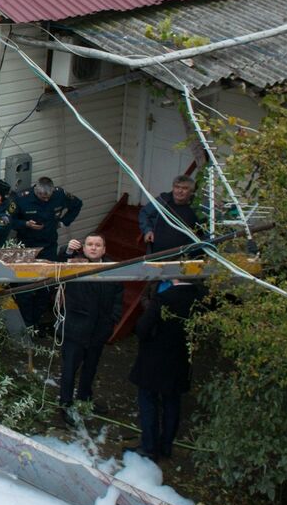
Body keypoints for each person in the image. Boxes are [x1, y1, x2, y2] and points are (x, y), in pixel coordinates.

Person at [130, 279, 201, 460]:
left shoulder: (165, 298)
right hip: (181, 359)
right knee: (172, 403)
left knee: (148, 400)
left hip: (155, 358)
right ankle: (166, 446)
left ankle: (149, 446)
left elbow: (143, 327)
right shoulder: (201, 298)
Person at [55, 233, 122, 413]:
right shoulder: (74, 264)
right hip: (75, 327)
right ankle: (65, 405)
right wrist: (68, 249)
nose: (93, 248)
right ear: (83, 249)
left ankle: (84, 399)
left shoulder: (113, 268)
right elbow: (59, 262)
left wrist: (113, 320)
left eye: (97, 245)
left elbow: (118, 296)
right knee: (70, 369)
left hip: (99, 329)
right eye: (90, 244)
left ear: (104, 249)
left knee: (90, 368)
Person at [11, 175, 83, 251]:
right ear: (36, 191)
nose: (46, 200)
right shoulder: (21, 198)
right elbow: (10, 220)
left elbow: (77, 205)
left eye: (49, 197)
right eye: (43, 197)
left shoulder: (60, 194)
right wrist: (26, 224)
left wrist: (63, 222)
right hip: (27, 244)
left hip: (49, 243)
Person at [140, 174, 201, 256]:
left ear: (191, 191)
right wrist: (148, 230)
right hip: (156, 254)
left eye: (184, 188)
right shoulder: (163, 200)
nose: (179, 191)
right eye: (177, 187)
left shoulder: (197, 208)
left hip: (181, 258)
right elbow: (144, 213)